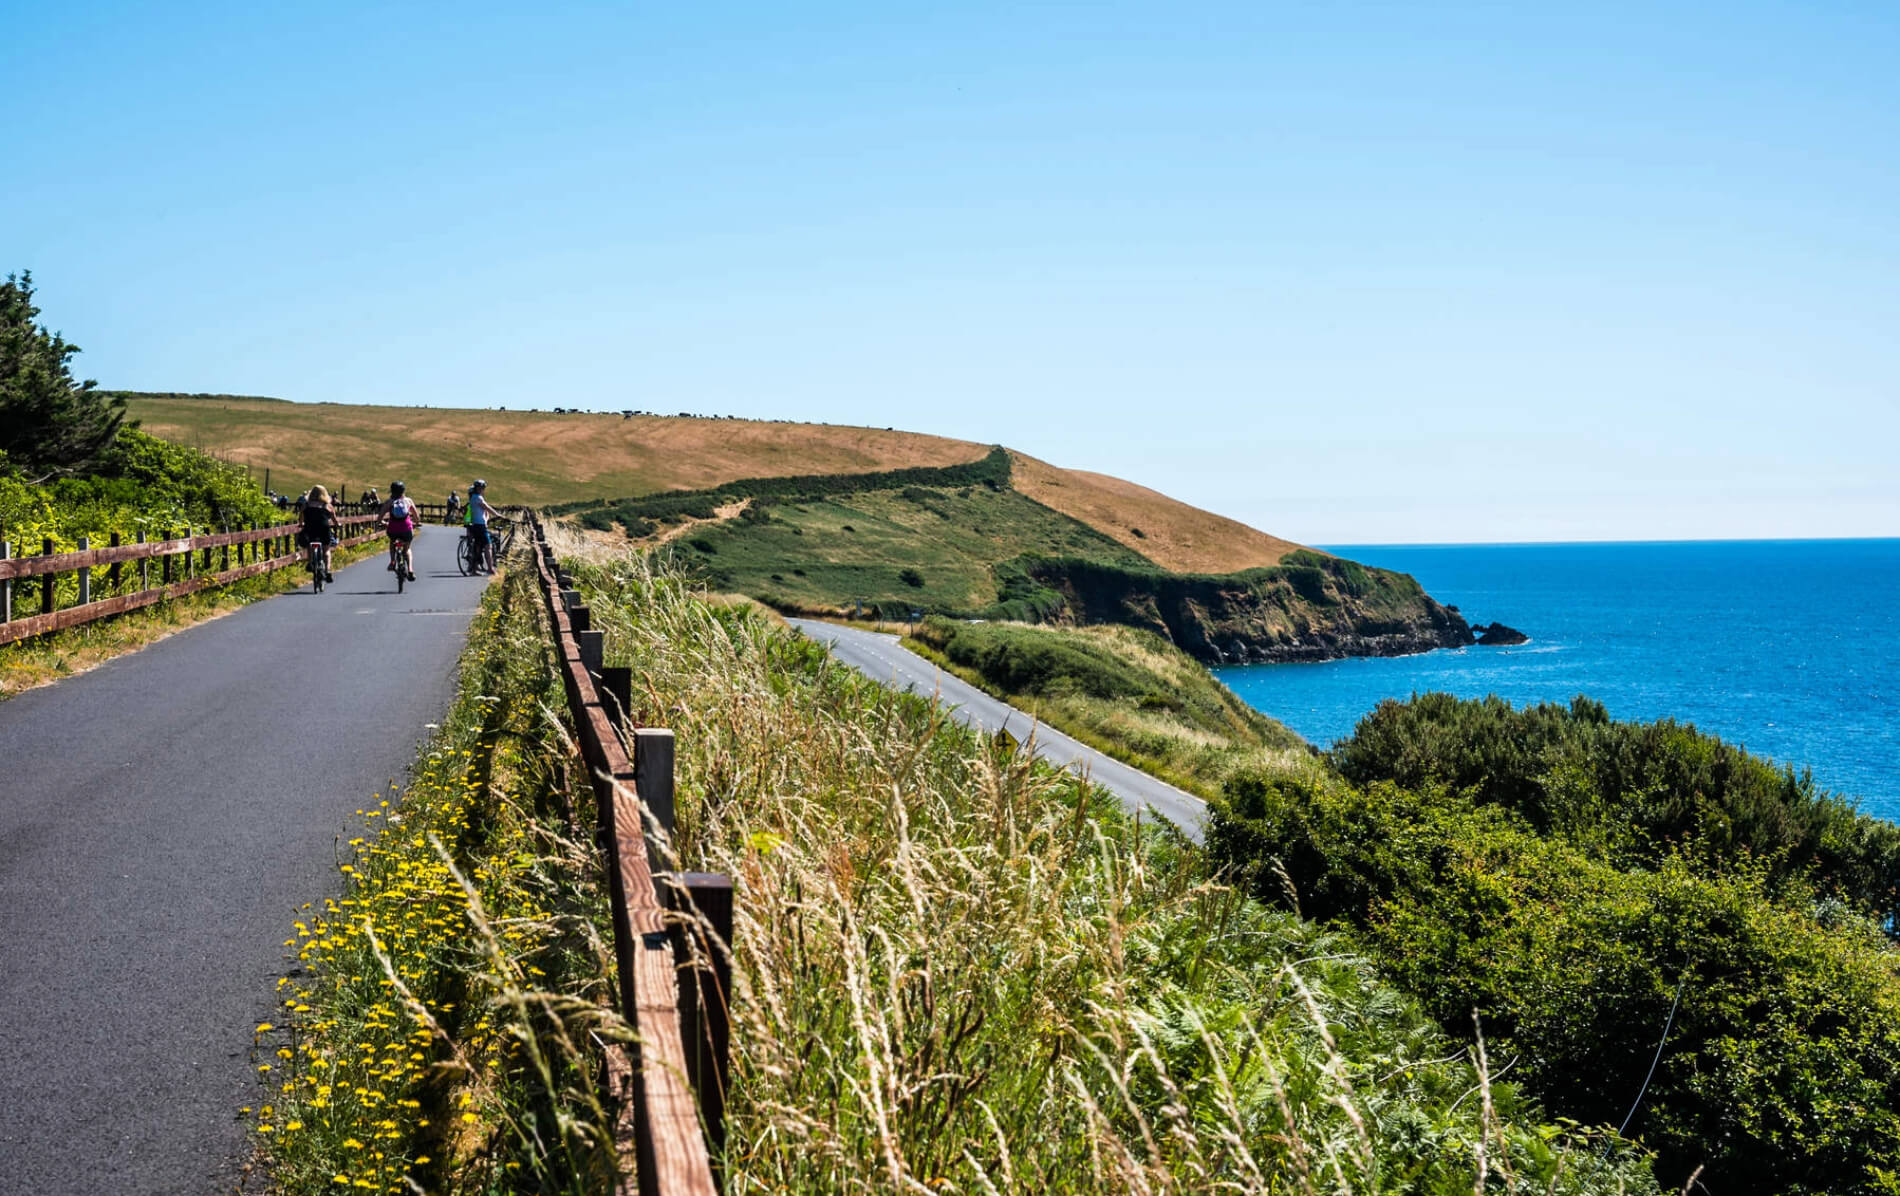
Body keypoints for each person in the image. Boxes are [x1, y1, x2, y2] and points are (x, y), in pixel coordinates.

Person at [378, 480, 420, 581]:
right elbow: (417, 516)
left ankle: (392, 561)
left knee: (392, 542)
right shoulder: (408, 501)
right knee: (407, 549)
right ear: (403, 491)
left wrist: (382, 523)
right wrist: (417, 522)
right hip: (406, 529)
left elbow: (379, 517)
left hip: (393, 529)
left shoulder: (389, 502)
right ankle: (410, 569)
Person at [298, 485, 337, 583]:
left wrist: (301, 524)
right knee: (326, 550)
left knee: (310, 544)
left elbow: (301, 517)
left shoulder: (306, 505)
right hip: (323, 528)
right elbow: (334, 519)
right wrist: (337, 524)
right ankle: (327, 571)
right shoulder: (327, 505)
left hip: (310, 528)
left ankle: (311, 562)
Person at [464, 478, 499, 572]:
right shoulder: (478, 498)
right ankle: (490, 568)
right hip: (480, 525)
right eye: (482, 488)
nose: (483, 490)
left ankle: (474, 568)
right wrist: (497, 514)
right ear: (479, 488)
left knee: (478, 547)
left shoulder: (473, 498)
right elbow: (487, 507)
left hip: (475, 524)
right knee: (488, 546)